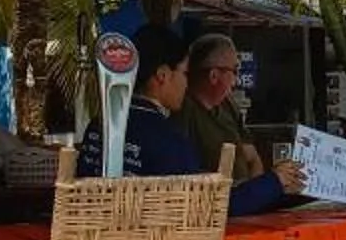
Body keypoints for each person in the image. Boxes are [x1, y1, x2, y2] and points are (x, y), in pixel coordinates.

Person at [79, 26, 301, 215]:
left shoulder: (97, 127)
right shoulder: (166, 139)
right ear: (163, 75)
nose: (186, 84)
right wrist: (273, 182)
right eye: (184, 73)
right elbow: (210, 204)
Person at [175, 31, 263, 182]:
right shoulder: (183, 111)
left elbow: (253, 158)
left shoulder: (228, 104)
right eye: (234, 71)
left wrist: (256, 195)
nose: (236, 81)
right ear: (214, 75)